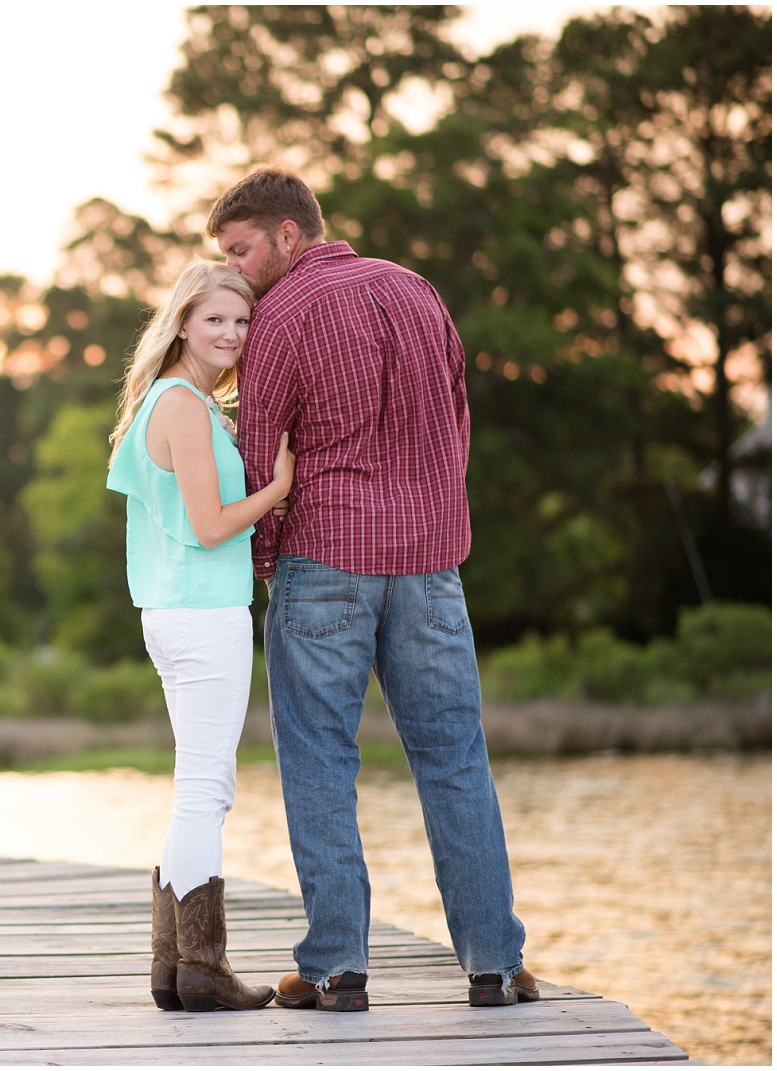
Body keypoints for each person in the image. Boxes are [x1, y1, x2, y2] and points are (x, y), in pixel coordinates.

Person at [209, 166, 537, 1012]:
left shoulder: (280, 314)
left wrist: (268, 561)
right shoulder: (418, 291)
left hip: (326, 564)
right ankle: (495, 966)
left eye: (242, 250)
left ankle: (335, 969)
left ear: (289, 234)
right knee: (456, 758)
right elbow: (457, 423)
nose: (236, 270)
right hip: (431, 568)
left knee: (319, 762)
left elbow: (256, 452)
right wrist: (432, 523)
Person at [106, 260, 296, 1013]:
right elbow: (213, 525)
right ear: (182, 321)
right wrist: (279, 486)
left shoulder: (178, 402)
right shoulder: (181, 405)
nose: (231, 332)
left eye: (242, 321)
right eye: (216, 318)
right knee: (205, 790)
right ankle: (203, 967)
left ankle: (173, 966)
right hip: (201, 614)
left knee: (198, 786)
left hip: (177, 613)